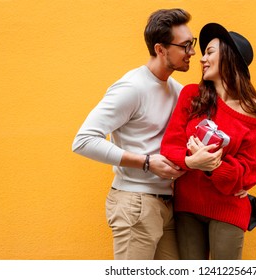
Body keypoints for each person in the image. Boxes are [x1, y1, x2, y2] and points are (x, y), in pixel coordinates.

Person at [72, 8, 196, 260]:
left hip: (167, 204)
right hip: (135, 202)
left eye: (192, 44)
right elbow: (83, 141)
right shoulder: (132, 87)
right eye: (185, 46)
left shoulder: (177, 90)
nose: (192, 52)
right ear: (160, 49)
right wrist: (146, 162)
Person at [160, 23, 256, 260]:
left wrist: (215, 168)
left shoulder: (252, 112)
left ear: (228, 58)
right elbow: (170, 147)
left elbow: (249, 172)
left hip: (228, 208)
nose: (201, 58)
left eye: (209, 52)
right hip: (187, 206)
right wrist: (193, 161)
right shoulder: (191, 96)